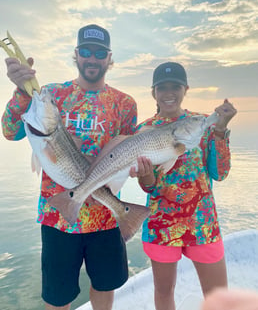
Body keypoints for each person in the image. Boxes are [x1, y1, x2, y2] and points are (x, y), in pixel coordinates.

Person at [1, 24, 137, 310]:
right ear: (76, 55)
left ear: (109, 58)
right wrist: (21, 91)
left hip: (105, 216)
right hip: (58, 216)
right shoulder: (51, 94)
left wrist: (140, 168)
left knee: (104, 286)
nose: (92, 58)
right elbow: (11, 131)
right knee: (58, 296)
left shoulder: (125, 104)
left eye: (99, 53)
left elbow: (126, 153)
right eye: (85, 51)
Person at [130, 62, 237, 310]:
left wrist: (221, 129)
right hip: (162, 225)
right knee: (164, 291)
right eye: (162, 87)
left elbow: (219, 173)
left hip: (203, 224)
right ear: (153, 92)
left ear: (185, 89)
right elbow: (150, 188)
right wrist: (146, 178)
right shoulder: (143, 131)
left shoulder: (202, 124)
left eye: (175, 87)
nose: (169, 93)